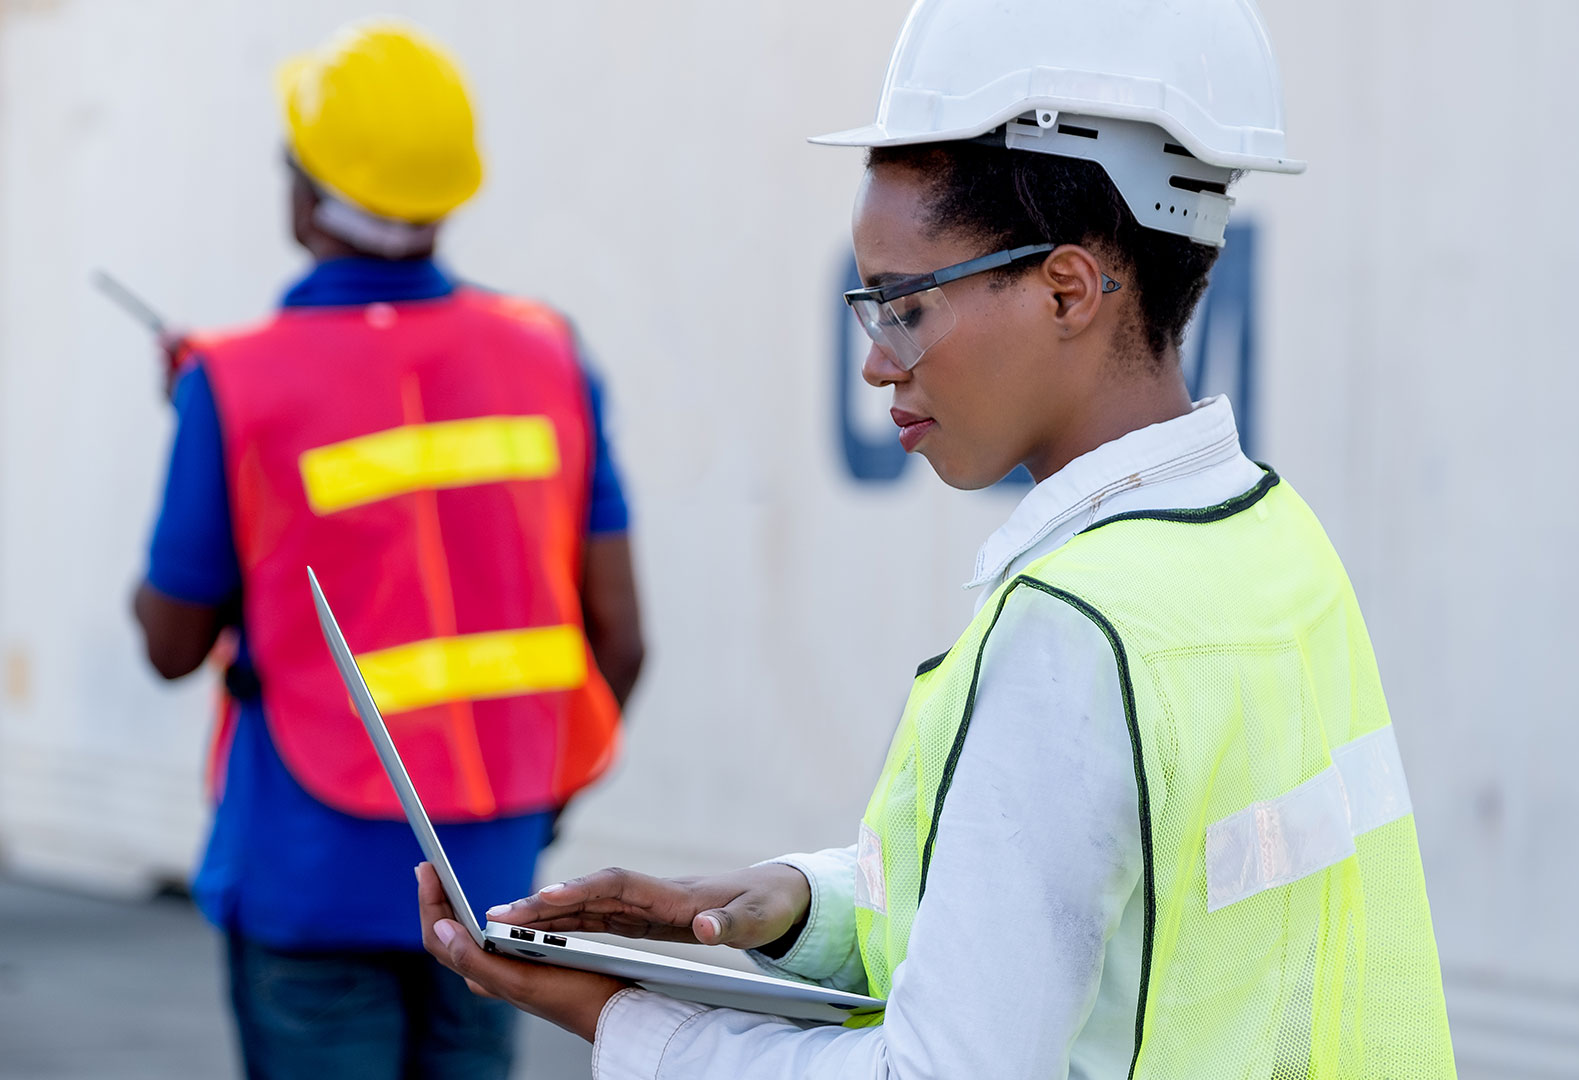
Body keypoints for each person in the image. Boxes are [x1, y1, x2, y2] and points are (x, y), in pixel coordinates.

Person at [417, 1, 1455, 1076]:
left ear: (1066, 289)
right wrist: (790, 904)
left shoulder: (1076, 636)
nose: (877, 361)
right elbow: (1129, 911)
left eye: (905, 305)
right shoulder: (1276, 550)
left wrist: (623, 1020)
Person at [131, 18, 644, 1080]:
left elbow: (171, 641)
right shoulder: (549, 355)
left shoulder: (231, 383)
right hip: (489, 873)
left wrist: (201, 428)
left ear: (308, 192)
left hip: (307, 877)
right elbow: (622, 642)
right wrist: (526, 815)